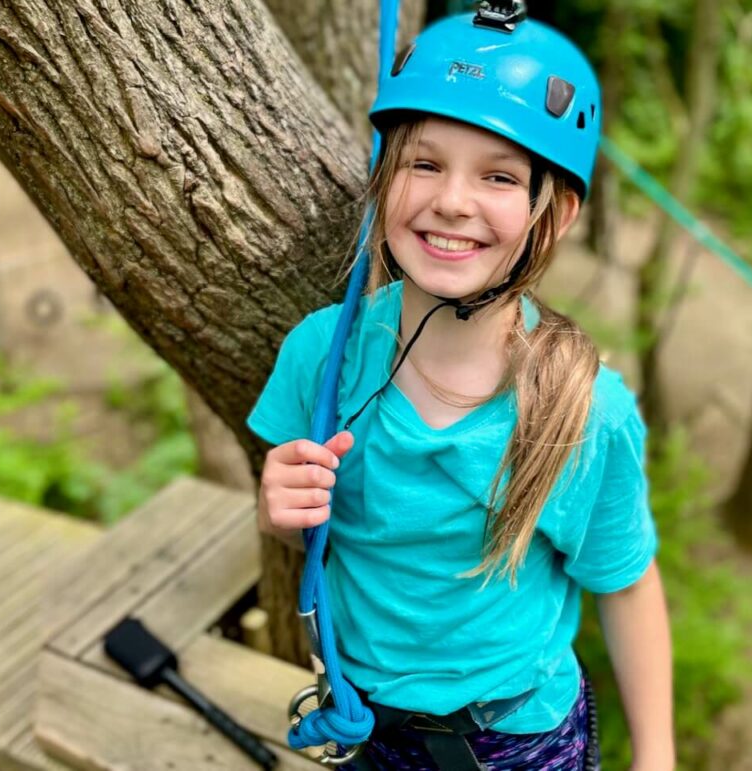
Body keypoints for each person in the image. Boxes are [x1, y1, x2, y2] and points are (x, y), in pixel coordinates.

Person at [247, 6, 674, 770]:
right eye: (425, 163)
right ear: (383, 175)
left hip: (518, 738)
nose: (452, 200)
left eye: (500, 176)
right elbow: (307, 527)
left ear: (557, 211)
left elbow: (626, 583)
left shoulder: (583, 411)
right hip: (365, 720)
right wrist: (279, 508)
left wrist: (658, 757)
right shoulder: (323, 354)